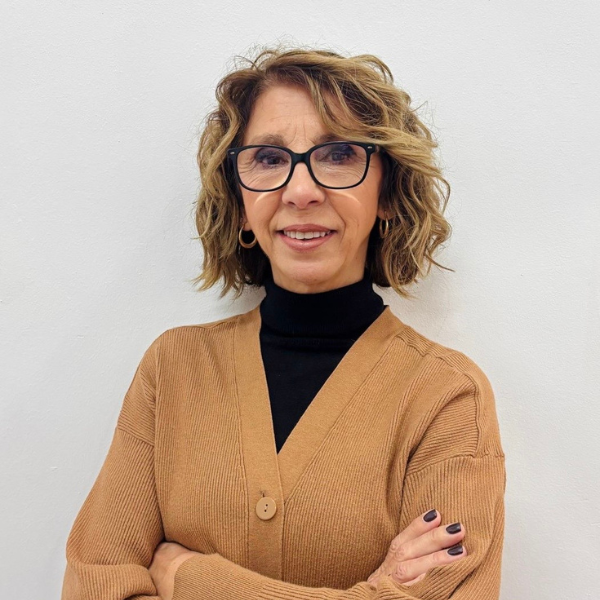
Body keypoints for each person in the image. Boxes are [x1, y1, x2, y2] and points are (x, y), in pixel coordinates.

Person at [61, 46, 506, 600]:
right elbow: (94, 586)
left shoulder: (446, 395)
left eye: (339, 154)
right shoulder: (172, 369)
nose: (300, 191)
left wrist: (191, 578)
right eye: (269, 159)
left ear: (388, 193)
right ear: (240, 198)